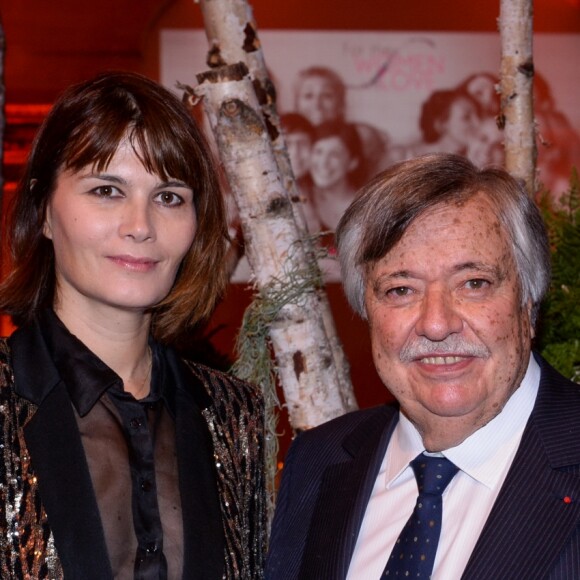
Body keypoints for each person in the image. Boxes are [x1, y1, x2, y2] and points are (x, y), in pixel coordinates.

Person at [0, 71, 266, 579]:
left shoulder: (234, 413)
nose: (140, 226)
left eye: (168, 197)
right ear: (43, 212)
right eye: (107, 190)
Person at [266, 153, 580, 579]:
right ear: (366, 311)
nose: (436, 324)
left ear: (528, 302)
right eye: (400, 290)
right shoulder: (317, 463)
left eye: (474, 284)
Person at [292, 66, 392, 181]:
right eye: (308, 96)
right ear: (296, 103)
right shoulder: (288, 139)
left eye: (327, 95)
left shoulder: (361, 136)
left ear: (340, 103)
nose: (317, 104)